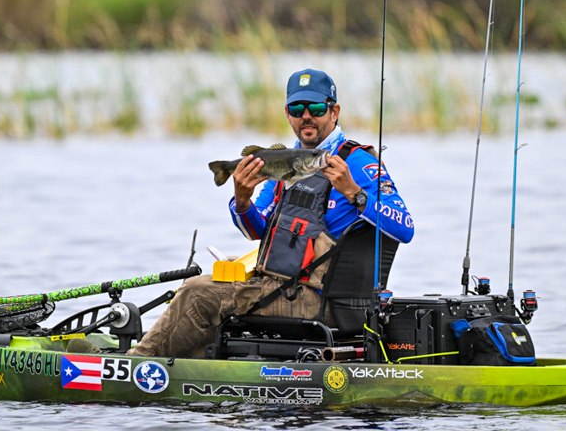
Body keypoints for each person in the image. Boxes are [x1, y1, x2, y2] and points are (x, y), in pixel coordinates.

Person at [71, 69, 413, 358]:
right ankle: (187, 360)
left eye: (315, 108)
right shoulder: (287, 164)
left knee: (196, 291)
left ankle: (135, 364)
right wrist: (243, 200)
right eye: (296, 108)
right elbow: (257, 231)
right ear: (288, 114)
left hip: (320, 300)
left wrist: (354, 192)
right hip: (283, 288)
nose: (306, 116)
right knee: (219, 281)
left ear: (333, 111)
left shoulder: (359, 162)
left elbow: (406, 227)